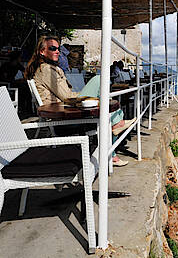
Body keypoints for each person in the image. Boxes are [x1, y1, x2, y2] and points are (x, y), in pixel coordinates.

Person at [24, 35, 134, 166]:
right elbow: (67, 96)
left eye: (58, 48)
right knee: (98, 80)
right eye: (52, 48)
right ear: (42, 51)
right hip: (63, 115)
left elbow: (66, 95)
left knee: (104, 107)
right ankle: (117, 129)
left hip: (64, 110)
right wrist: (86, 95)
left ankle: (115, 135)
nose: (57, 51)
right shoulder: (47, 70)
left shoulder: (47, 68)